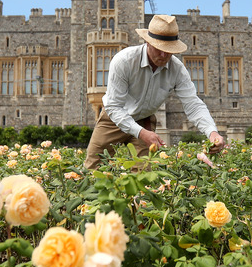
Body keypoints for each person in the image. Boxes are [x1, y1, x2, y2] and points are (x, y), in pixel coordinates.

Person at [84, 14, 226, 169]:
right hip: (113, 119)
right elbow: (113, 107)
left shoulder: (177, 69)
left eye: (169, 50)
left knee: (143, 175)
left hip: (144, 120)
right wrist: (142, 133)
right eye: (159, 49)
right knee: (92, 168)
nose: (164, 55)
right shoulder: (124, 61)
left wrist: (212, 132)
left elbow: (193, 104)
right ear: (148, 42)